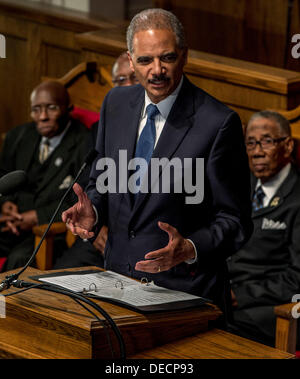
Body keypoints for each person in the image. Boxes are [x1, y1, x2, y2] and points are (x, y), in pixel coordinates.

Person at [62, 8, 252, 314]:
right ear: (131, 58)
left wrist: (190, 248)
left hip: (184, 291)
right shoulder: (116, 103)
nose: (157, 70)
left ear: (185, 56)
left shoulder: (218, 123)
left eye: (167, 58)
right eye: (145, 60)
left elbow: (236, 220)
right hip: (117, 281)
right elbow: (102, 180)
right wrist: (94, 211)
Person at [54, 52, 140, 269]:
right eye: (121, 80)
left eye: (134, 78)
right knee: (60, 283)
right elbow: (87, 185)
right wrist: (96, 229)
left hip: (142, 244)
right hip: (98, 237)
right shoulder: (100, 130)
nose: (128, 85)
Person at [228, 110, 300, 347]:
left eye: (267, 141)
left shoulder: (297, 199)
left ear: (287, 146)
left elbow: (295, 278)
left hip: (270, 304)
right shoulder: (237, 184)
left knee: (215, 323)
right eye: (250, 143)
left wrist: (242, 296)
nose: (257, 151)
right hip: (224, 288)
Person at [0, 81, 89, 271]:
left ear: (68, 109)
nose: (42, 117)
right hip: (11, 225)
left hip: (48, 230)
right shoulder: (18, 136)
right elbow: (3, 177)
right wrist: (5, 205)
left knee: (19, 260)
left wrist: (36, 217)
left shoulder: (85, 143)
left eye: (51, 108)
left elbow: (81, 201)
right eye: (36, 110)